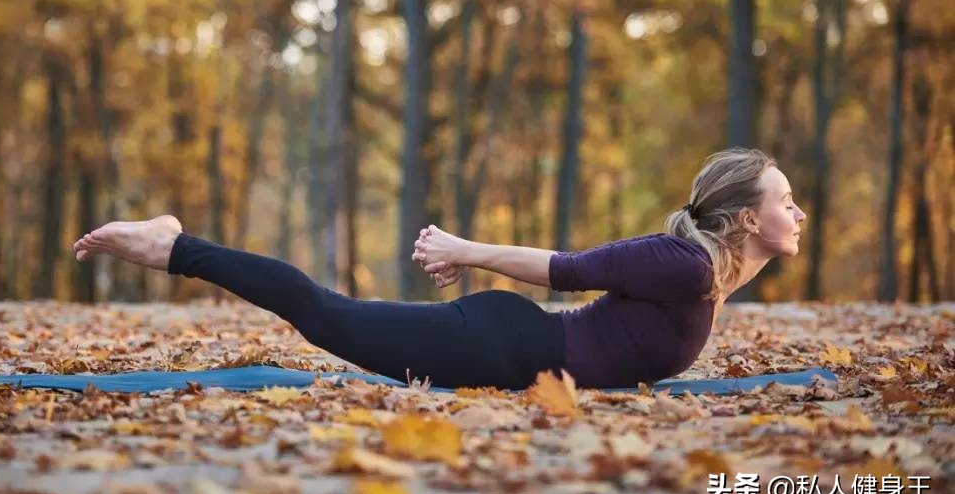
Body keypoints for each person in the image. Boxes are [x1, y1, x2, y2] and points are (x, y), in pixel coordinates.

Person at [72, 147, 806, 390]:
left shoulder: (710, 272)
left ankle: (177, 246)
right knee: (324, 313)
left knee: (328, 315)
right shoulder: (683, 264)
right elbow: (566, 268)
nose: (798, 212)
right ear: (747, 219)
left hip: (511, 346)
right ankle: (174, 246)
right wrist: (464, 249)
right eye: (785, 201)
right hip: (499, 345)